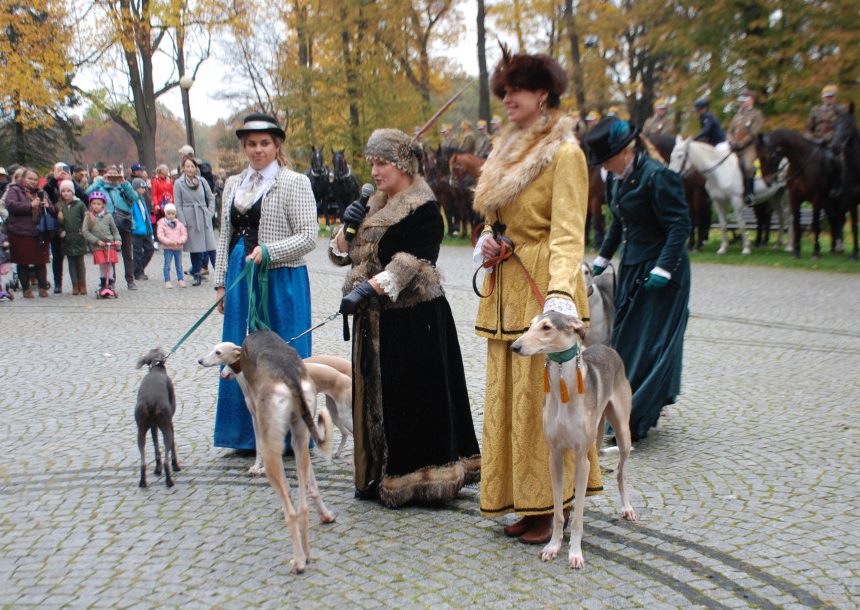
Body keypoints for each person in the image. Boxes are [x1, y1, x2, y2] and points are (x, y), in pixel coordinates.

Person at [471, 50, 597, 544]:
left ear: (542, 94)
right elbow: (497, 218)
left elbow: (569, 234)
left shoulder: (565, 154)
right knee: (509, 399)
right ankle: (522, 501)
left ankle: (552, 507)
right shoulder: (506, 149)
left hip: (542, 292)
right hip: (505, 287)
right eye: (502, 92)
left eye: (514, 91)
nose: (506, 100)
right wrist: (487, 237)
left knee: (543, 403)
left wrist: (561, 296)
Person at [330, 128, 481, 507]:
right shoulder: (376, 201)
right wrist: (345, 233)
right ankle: (376, 472)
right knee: (378, 400)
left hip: (415, 320)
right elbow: (350, 255)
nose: (375, 171)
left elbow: (414, 259)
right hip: (376, 318)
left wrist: (369, 288)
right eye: (372, 163)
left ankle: (419, 479)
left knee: (414, 399)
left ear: (403, 164)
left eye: (382, 163)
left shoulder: (424, 207)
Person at [212, 113, 317, 453]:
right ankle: (244, 435)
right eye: (252, 144)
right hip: (240, 282)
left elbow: (308, 237)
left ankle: (290, 435)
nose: (258, 150)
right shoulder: (232, 184)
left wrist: (270, 250)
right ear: (245, 146)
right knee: (241, 354)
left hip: (280, 281)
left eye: (265, 143)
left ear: (276, 146)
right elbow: (224, 236)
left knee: (282, 353)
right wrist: (220, 284)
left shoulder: (294, 182)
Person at [587, 116, 691, 442]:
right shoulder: (617, 179)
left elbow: (679, 226)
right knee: (628, 340)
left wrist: (664, 268)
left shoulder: (658, 177)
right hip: (633, 267)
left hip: (663, 272)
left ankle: (634, 419)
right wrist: (603, 257)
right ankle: (626, 411)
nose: (605, 165)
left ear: (627, 149)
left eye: (608, 158)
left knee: (651, 343)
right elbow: (619, 222)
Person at [86, 166, 141, 290]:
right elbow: (87, 193)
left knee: (127, 253)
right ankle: (111, 280)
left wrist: (125, 183)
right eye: (109, 174)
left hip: (124, 222)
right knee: (109, 253)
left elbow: (134, 197)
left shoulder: (123, 187)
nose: (112, 177)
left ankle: (130, 279)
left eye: (114, 174)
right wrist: (100, 181)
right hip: (108, 223)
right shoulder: (101, 188)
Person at [4, 167, 55, 298]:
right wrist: (30, 206)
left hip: (39, 231)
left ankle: (43, 288)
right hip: (21, 231)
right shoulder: (15, 190)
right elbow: (10, 205)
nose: (33, 181)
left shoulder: (41, 192)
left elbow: (53, 209)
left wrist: (47, 206)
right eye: (30, 178)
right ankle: (26, 289)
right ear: (23, 179)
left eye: (35, 179)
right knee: (23, 261)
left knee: (40, 261)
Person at [174, 157, 217, 286]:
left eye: (192, 166)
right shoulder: (179, 183)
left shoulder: (202, 181)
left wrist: (209, 213)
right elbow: (178, 204)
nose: (190, 169)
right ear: (183, 168)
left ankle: (220, 273)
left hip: (203, 215)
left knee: (211, 246)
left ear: (196, 168)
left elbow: (211, 197)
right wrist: (184, 221)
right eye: (187, 166)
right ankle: (197, 273)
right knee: (195, 248)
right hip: (190, 216)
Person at [806, 84, 846, 199]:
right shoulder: (815, 110)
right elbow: (809, 128)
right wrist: (811, 139)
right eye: (827, 96)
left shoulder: (840, 109)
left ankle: (838, 186)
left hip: (832, 142)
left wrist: (827, 138)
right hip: (816, 143)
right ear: (823, 97)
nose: (829, 99)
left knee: (837, 160)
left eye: (832, 96)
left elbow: (841, 127)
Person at [727, 90, 764, 205]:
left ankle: (749, 193)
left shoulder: (756, 115)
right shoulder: (737, 116)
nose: (741, 104)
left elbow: (753, 134)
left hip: (748, 147)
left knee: (748, 166)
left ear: (751, 100)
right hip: (734, 145)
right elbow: (729, 131)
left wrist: (740, 144)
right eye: (740, 102)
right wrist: (731, 141)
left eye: (743, 101)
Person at [81, 191, 121, 298]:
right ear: (90, 205)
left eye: (98, 204)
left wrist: (117, 240)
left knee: (110, 264)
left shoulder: (108, 216)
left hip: (109, 244)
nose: (96, 206)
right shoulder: (89, 217)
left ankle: (111, 283)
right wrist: (96, 241)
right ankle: (103, 284)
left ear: (103, 204)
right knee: (102, 265)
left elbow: (114, 230)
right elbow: (85, 232)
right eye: (94, 204)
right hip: (98, 245)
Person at [56, 180, 89, 295]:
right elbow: (56, 223)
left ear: (73, 192)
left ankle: (83, 284)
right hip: (67, 239)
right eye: (63, 191)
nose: (66, 194)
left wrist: (83, 230)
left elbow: (86, 218)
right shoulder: (59, 206)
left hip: (79, 237)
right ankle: (75, 284)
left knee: (80, 262)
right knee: (71, 263)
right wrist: (60, 232)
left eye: (68, 191)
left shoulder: (80, 205)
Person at [130, 163, 155, 280]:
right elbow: (132, 214)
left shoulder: (143, 199)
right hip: (137, 230)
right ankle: (137, 271)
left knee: (150, 249)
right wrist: (134, 226)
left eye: (144, 188)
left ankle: (139, 268)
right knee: (137, 252)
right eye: (141, 188)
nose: (143, 190)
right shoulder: (132, 200)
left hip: (145, 229)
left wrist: (149, 228)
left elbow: (146, 214)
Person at [156, 204, 187, 288]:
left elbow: (184, 234)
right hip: (168, 248)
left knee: (179, 265)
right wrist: (169, 242)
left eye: (172, 214)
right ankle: (167, 280)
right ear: (165, 214)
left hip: (178, 247)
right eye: (169, 213)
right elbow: (160, 236)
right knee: (167, 265)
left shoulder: (179, 224)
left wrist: (181, 240)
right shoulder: (162, 224)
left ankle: (180, 279)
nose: (171, 216)